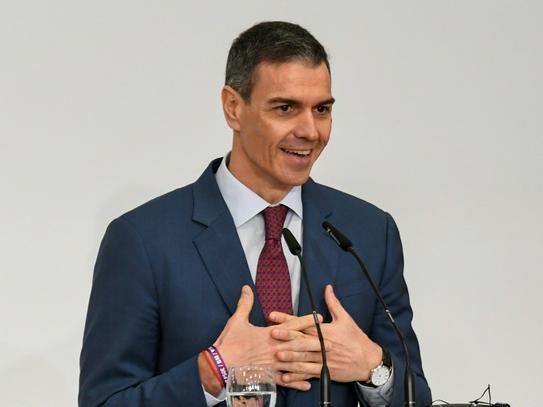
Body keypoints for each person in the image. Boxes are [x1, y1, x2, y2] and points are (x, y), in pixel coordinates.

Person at [79, 21, 432, 407]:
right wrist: (213, 370)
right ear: (233, 108)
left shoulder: (368, 232)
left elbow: (416, 395)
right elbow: (104, 402)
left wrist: (371, 366)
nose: (310, 131)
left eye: (322, 109)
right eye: (285, 108)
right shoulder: (143, 240)